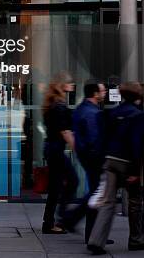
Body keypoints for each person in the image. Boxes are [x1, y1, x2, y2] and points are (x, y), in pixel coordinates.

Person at [87, 82, 144, 255]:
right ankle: (137, 239)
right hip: (126, 162)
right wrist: (134, 171)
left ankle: (96, 241)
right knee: (135, 200)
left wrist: (102, 159)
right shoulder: (138, 115)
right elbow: (136, 144)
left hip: (110, 160)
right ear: (137, 96)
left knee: (108, 202)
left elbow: (103, 137)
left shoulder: (112, 112)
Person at [63, 81, 108, 243]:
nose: (105, 93)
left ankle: (92, 234)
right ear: (95, 94)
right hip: (94, 157)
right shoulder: (92, 113)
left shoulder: (81, 108)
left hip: (85, 156)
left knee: (96, 193)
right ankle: (72, 219)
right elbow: (94, 139)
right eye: (102, 91)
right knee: (96, 194)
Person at [42, 71, 78, 234]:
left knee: (56, 187)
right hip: (56, 149)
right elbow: (65, 131)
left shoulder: (53, 103)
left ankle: (49, 222)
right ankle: (62, 216)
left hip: (52, 148)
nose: (72, 84)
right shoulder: (59, 106)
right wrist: (78, 148)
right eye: (70, 82)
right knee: (73, 180)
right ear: (62, 85)